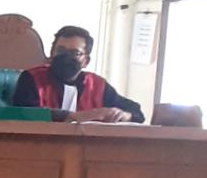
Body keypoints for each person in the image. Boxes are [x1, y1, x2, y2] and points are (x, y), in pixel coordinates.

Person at [12, 25, 143, 123]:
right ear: (51, 54)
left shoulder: (97, 85)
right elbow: (24, 113)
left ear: (86, 61)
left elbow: (136, 112)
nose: (66, 57)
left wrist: (124, 115)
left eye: (75, 53)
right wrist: (74, 116)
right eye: (61, 51)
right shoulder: (32, 78)